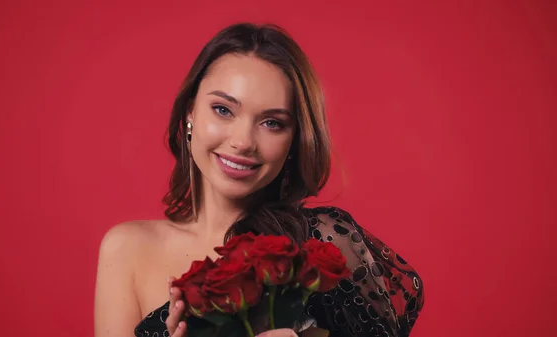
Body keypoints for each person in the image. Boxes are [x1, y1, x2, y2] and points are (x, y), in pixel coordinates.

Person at [94, 23, 424, 337]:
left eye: (272, 123)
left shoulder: (322, 246)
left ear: (295, 139)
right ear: (190, 113)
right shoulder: (127, 250)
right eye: (223, 109)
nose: (242, 142)